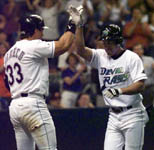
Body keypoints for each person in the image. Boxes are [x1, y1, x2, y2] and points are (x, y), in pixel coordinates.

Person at [69, 6, 149, 150]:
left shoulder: (131, 57)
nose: (106, 46)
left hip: (133, 113)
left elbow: (140, 85)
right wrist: (79, 26)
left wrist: (120, 91)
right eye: (104, 42)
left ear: (118, 41)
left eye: (110, 42)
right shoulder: (101, 56)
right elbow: (80, 49)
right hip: (113, 115)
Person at [3, 12, 80, 150]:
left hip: (15, 106)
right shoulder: (33, 45)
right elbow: (63, 45)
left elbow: (6, 81)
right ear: (34, 30)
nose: (42, 34)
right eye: (41, 30)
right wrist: (72, 23)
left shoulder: (9, 52)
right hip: (32, 104)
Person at [132, 43, 154, 107]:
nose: (137, 51)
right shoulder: (129, 61)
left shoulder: (150, 60)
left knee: (149, 107)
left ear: (143, 50)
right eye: (135, 50)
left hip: (149, 87)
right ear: (133, 51)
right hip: (135, 89)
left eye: (139, 49)